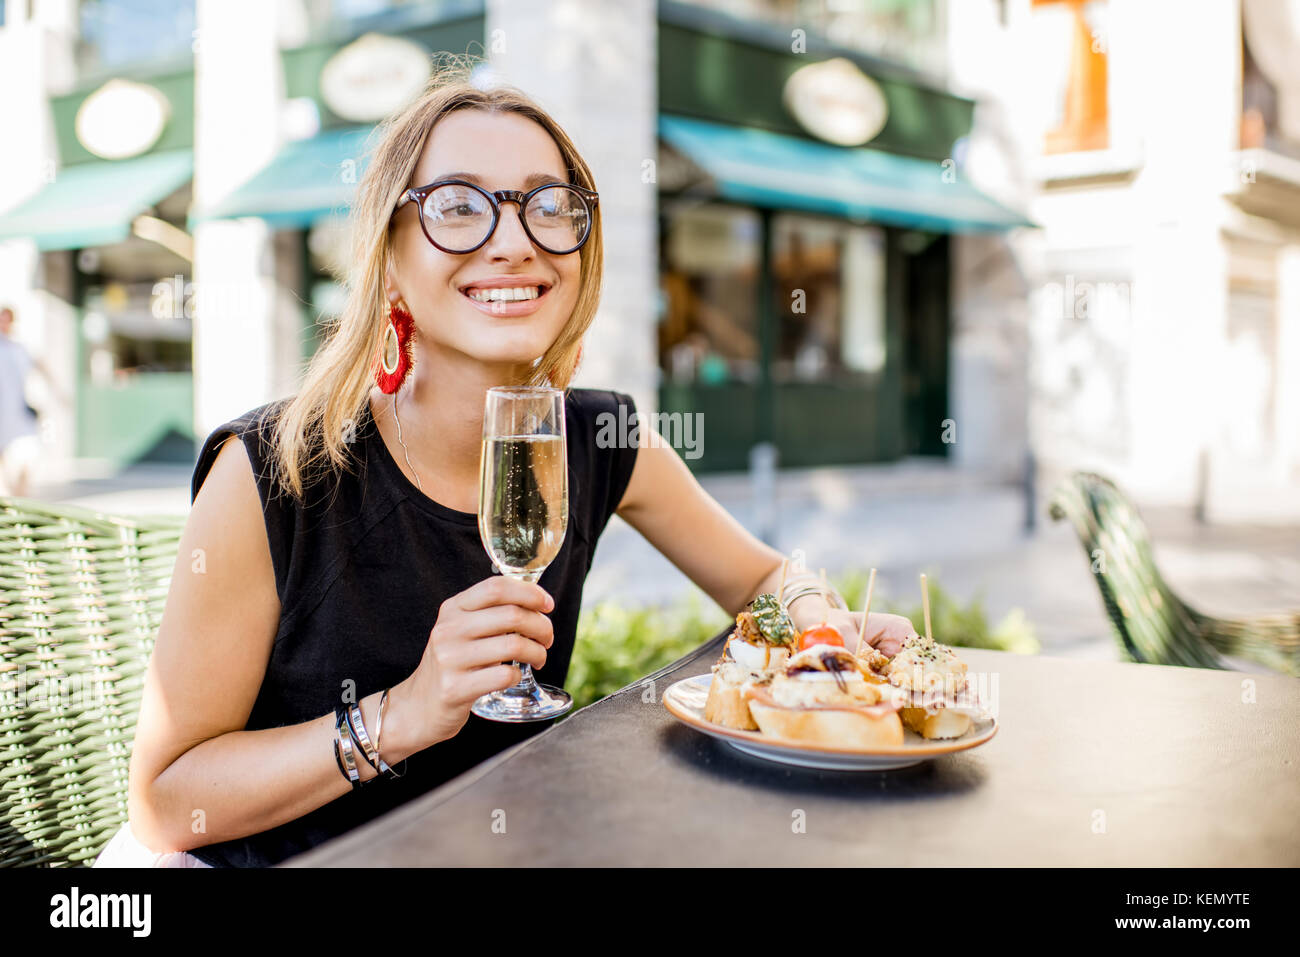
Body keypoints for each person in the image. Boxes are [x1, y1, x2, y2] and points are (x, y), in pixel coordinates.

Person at [94, 63, 918, 868]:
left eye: (548, 206)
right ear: (389, 256)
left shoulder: (599, 436)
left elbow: (765, 576)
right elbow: (166, 802)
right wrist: (401, 714)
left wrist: (827, 633)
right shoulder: (275, 472)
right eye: (458, 207)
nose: (515, 242)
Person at [0, 305, 44, 498]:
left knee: (24, 464)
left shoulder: (19, 348)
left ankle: (17, 501)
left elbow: (40, 364)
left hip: (17, 417)